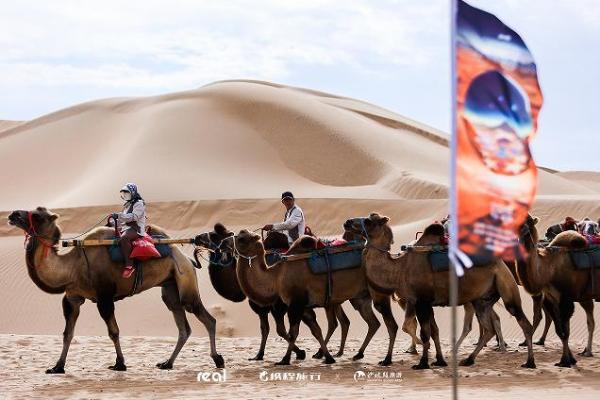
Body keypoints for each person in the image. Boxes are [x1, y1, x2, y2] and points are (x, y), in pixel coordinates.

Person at [111, 183, 147, 278]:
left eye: (127, 193)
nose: (125, 195)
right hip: (126, 228)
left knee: (124, 238)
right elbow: (123, 220)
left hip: (136, 229)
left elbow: (134, 217)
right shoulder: (127, 205)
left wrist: (119, 215)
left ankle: (129, 265)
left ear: (133, 193)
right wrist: (113, 221)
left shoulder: (139, 203)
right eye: (124, 194)